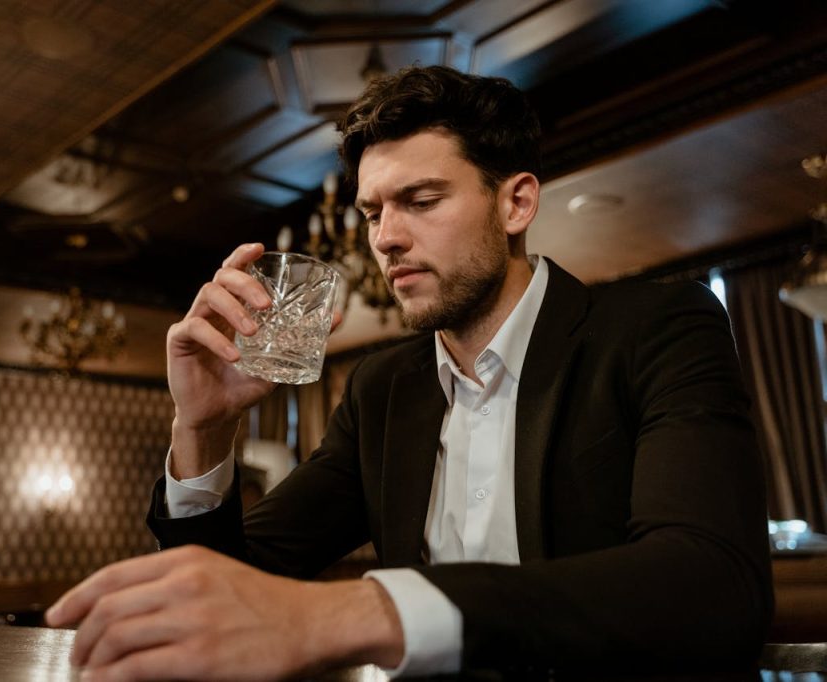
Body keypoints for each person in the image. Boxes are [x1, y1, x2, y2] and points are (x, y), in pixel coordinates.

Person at [45, 66, 773, 680]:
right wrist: (203, 428)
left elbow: (712, 585)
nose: (386, 239)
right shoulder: (382, 389)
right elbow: (231, 579)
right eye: (371, 212)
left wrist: (369, 608)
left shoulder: (657, 329)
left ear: (516, 202)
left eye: (421, 202)